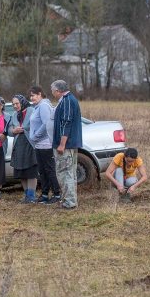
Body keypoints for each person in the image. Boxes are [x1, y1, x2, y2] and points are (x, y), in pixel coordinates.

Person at [51, 79, 82, 209]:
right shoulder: (66, 100)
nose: (52, 93)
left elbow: (66, 122)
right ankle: (69, 200)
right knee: (70, 173)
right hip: (70, 145)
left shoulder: (67, 100)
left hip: (66, 145)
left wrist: (62, 144)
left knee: (65, 173)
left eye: (52, 90)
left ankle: (69, 203)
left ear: (58, 90)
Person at [28, 86, 61, 204]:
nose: (31, 98)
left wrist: (35, 136)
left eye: (33, 95)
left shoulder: (43, 106)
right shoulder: (36, 107)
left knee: (49, 170)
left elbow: (46, 124)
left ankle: (57, 194)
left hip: (46, 144)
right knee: (42, 171)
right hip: (38, 145)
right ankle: (45, 194)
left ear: (40, 94)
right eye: (30, 96)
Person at [8, 94, 39, 203]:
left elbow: (38, 124)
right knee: (21, 171)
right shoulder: (14, 114)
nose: (15, 106)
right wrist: (13, 131)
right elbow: (9, 129)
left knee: (31, 171)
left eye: (17, 103)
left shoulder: (32, 110)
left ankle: (31, 196)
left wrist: (26, 129)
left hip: (29, 144)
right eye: (13, 104)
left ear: (22, 102)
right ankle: (26, 195)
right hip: (18, 145)